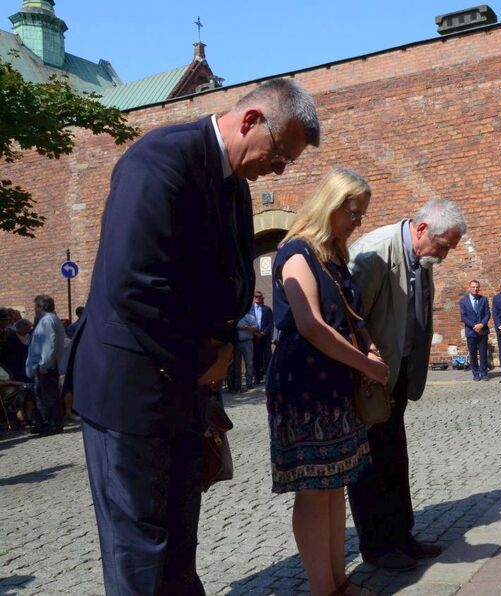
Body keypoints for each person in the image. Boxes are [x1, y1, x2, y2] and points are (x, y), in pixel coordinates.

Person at [67, 78, 320, 594]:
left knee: (179, 541)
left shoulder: (234, 185)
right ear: (251, 120)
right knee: (141, 548)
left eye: (287, 163)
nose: (280, 169)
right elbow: (134, 286)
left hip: (183, 387)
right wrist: (202, 356)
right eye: (280, 154)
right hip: (131, 389)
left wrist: (221, 347)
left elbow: (233, 276)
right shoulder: (160, 161)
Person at [266, 168, 385, 596]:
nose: (359, 221)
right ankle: (324, 589)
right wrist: (365, 364)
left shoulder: (334, 255)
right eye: (354, 212)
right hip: (304, 389)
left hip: (335, 382)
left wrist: (368, 349)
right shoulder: (297, 253)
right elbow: (311, 326)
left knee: (335, 486)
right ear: (331, 206)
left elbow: (351, 315)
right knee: (315, 490)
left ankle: (339, 582)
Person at [347, 199, 466, 571]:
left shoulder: (421, 257)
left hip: (397, 377)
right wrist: (367, 365)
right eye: (443, 246)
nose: (444, 256)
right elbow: (350, 317)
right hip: (372, 377)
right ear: (421, 230)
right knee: (370, 463)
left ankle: (401, 535)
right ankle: (377, 546)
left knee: (395, 458)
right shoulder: (375, 252)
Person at [26, 295, 66, 435]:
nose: (34, 309)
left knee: (48, 398)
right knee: (43, 396)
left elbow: (49, 345)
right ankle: (45, 423)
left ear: (41, 307)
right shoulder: (50, 320)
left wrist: (44, 365)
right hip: (47, 366)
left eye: (35, 306)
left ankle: (53, 425)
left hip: (46, 368)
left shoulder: (47, 321)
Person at [459, 280, 491, 381]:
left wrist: (481, 324)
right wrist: (474, 326)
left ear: (479, 288)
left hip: (482, 330)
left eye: (477, 287)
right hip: (471, 331)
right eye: (473, 287)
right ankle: (476, 374)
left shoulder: (484, 299)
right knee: (472, 354)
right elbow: (463, 316)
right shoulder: (463, 301)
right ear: (469, 288)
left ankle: (484, 373)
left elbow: (487, 314)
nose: (475, 289)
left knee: (483, 353)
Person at [252, 292, 274, 383]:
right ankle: (257, 377)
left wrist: (263, 333)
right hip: (254, 337)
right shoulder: (250, 310)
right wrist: (255, 333)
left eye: (259, 297)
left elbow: (270, 323)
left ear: (262, 298)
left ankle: (269, 376)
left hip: (265, 337)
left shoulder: (267, 310)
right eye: (256, 296)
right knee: (256, 358)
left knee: (268, 356)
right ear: (253, 298)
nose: (258, 298)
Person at [236, 309, 256, 390]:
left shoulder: (250, 317)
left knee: (249, 364)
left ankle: (249, 383)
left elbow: (255, 328)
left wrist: (245, 327)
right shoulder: (235, 318)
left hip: (247, 342)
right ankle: (237, 385)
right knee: (237, 365)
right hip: (237, 343)